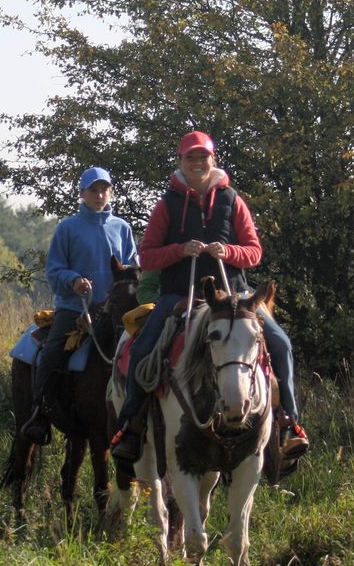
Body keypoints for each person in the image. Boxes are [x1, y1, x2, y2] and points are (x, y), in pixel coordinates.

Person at [110, 130, 309, 462]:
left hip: (236, 295)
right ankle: (130, 426)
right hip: (179, 294)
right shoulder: (167, 205)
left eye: (203, 157)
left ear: (212, 160)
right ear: (181, 161)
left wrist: (228, 251)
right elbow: (148, 256)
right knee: (142, 349)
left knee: (281, 344)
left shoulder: (232, 199)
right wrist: (180, 250)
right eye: (191, 157)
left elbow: (254, 252)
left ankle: (289, 424)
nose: (197, 163)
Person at [20, 167, 137, 445]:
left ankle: (141, 416)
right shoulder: (68, 228)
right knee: (51, 352)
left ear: (111, 192)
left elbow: (134, 266)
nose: (99, 195)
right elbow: (54, 270)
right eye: (93, 190)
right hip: (75, 309)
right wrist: (73, 281)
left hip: (113, 312)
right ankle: (39, 412)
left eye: (104, 189)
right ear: (82, 194)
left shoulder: (122, 228)